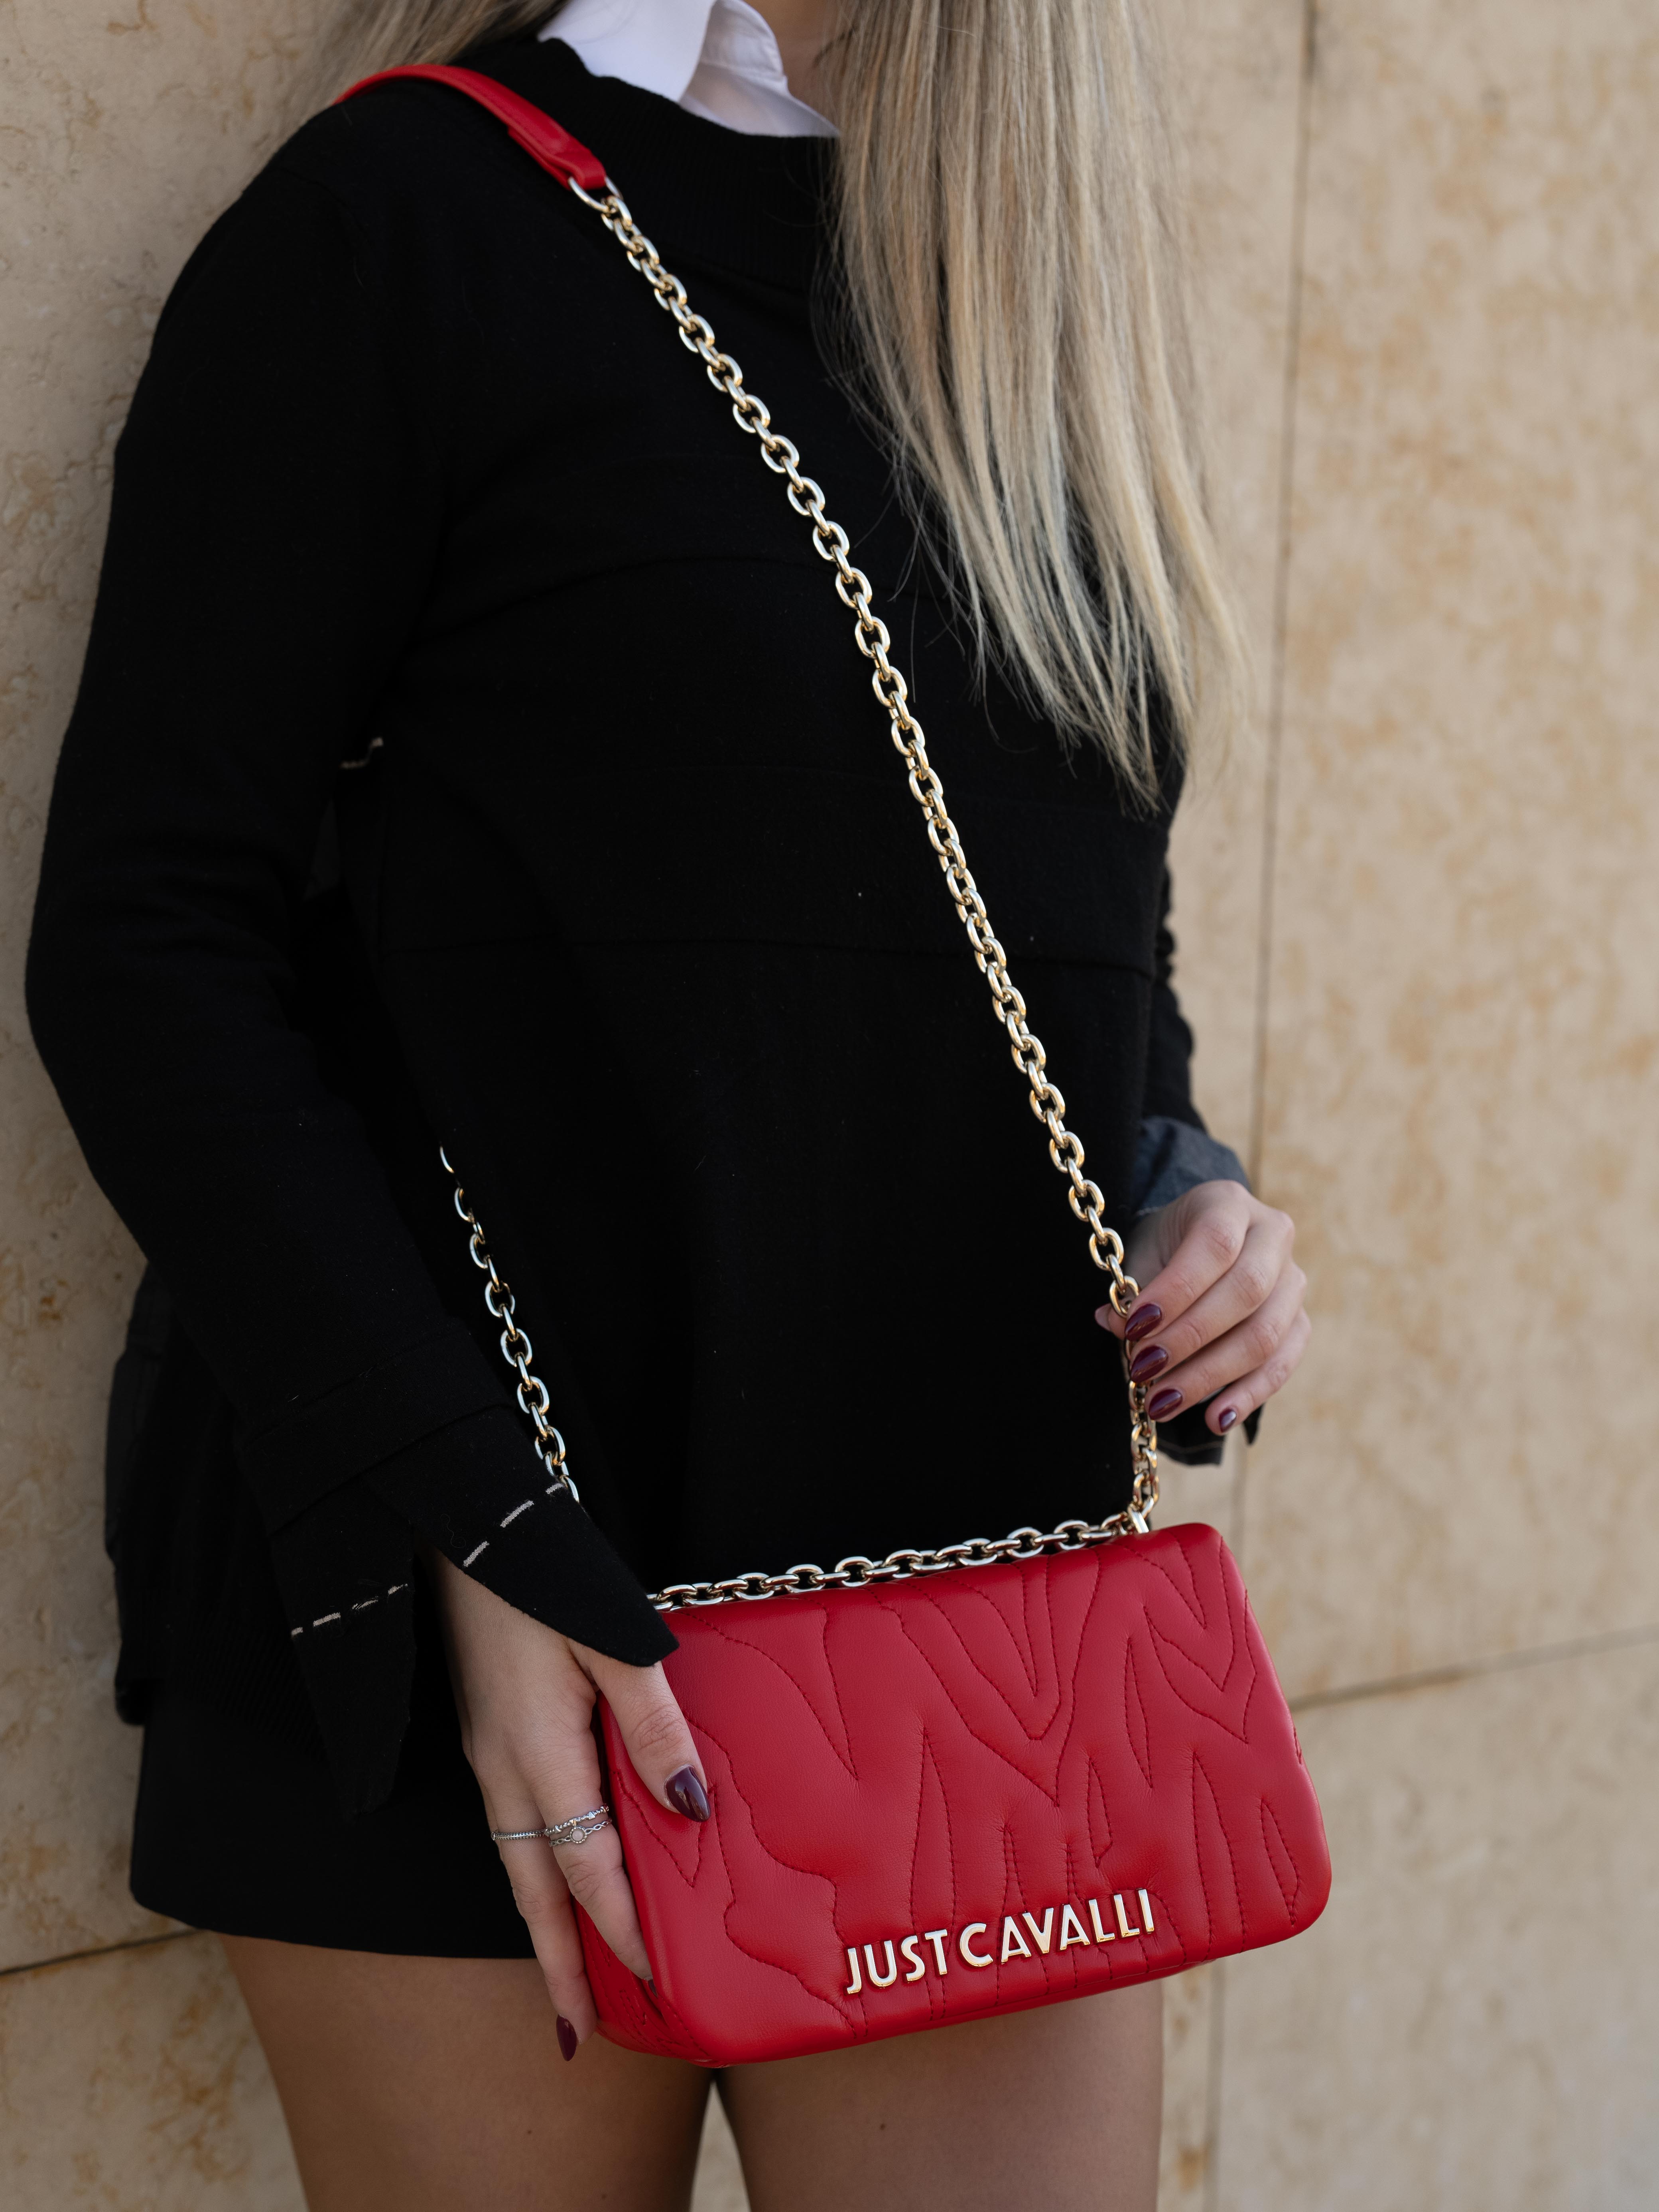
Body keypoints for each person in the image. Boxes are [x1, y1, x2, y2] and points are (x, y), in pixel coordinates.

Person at [26, 2, 1311, 2206]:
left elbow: (1073, 941)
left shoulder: (1029, 292)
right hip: (485, 1617)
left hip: (965, 1649)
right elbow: (147, 948)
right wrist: (479, 1526)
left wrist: (1185, 1192)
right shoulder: (408, 218)